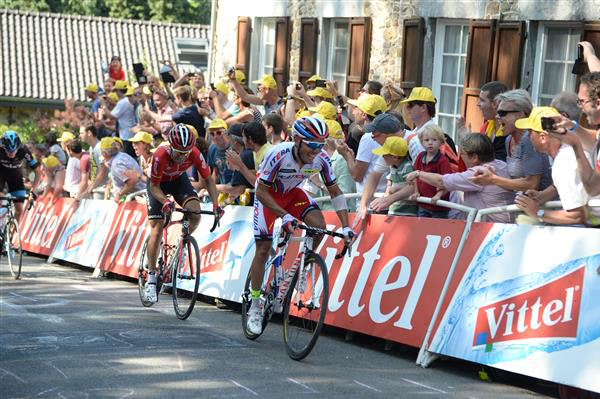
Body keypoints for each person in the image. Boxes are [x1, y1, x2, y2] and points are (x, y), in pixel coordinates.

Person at [246, 117, 354, 335]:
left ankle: (302, 266)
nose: (316, 151)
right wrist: (284, 216)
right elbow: (260, 190)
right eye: (311, 145)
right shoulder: (278, 153)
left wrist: (345, 227)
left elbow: (335, 192)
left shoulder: (321, 160)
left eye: (320, 145)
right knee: (263, 248)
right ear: (296, 139)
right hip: (268, 196)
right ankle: (255, 305)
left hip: (292, 194)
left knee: (318, 226)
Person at [143, 124, 221, 303]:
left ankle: (182, 242)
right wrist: (165, 201)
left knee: (195, 213)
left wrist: (216, 205)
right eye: (178, 152)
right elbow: (154, 186)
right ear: (171, 146)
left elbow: (208, 179)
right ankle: (151, 278)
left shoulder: (194, 153)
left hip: (178, 181)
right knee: (156, 227)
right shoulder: (159, 155)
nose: (182, 156)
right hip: (158, 185)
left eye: (185, 153)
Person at [407, 134, 514, 222]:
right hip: (507, 225)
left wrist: (418, 173)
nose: (461, 157)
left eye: (462, 154)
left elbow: (441, 181)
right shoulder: (502, 165)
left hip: (488, 229)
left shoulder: (478, 173)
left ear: (474, 158)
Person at [514, 107, 593, 226]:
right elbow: (568, 184)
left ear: (543, 137)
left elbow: (578, 216)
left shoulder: (565, 162)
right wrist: (542, 196)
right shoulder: (566, 149)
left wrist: (537, 212)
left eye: (530, 133)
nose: (528, 136)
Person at [469, 89, 553, 193]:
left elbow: (532, 184)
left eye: (502, 113)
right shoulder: (509, 139)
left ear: (520, 115)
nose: (497, 116)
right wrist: (492, 179)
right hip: (525, 203)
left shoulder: (529, 139)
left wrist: (494, 179)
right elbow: (514, 185)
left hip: (545, 206)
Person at [337, 94, 389, 194]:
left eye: (356, 108)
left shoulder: (368, 136)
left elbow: (357, 176)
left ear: (364, 114)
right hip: (381, 197)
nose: (353, 111)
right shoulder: (389, 131)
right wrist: (351, 156)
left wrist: (346, 155)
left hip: (370, 202)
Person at [407, 124, 453, 218]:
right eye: (426, 140)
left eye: (434, 140)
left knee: (436, 229)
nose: (430, 143)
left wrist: (438, 195)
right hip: (423, 203)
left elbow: (446, 182)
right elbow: (416, 176)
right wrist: (416, 192)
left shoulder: (443, 161)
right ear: (422, 142)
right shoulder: (420, 157)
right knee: (422, 228)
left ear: (441, 142)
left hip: (439, 206)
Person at [0, 130, 41, 220]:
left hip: (15, 175)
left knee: (19, 210)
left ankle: (13, 233)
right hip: (1, 174)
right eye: (9, 151)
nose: (12, 154)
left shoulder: (23, 150)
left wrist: (33, 192)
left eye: (14, 151)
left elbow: (38, 171)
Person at [99, 137, 145, 202]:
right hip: (138, 195)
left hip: (137, 198)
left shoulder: (116, 164)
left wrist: (119, 195)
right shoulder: (121, 156)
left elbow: (131, 181)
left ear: (104, 153)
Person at [474, 81, 508, 161]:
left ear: (496, 103)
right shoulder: (486, 126)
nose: (478, 104)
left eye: (482, 100)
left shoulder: (509, 132)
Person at [107, 81, 138, 158]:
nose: (116, 93)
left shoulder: (123, 102)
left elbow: (111, 116)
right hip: (130, 133)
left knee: (129, 157)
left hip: (126, 135)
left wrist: (103, 106)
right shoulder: (127, 100)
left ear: (118, 91)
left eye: (116, 91)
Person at [79, 124, 109, 200]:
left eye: (82, 133)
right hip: (96, 189)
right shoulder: (91, 148)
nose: (80, 135)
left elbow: (102, 172)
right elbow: (94, 170)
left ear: (89, 133)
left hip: (104, 190)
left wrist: (88, 190)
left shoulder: (100, 147)